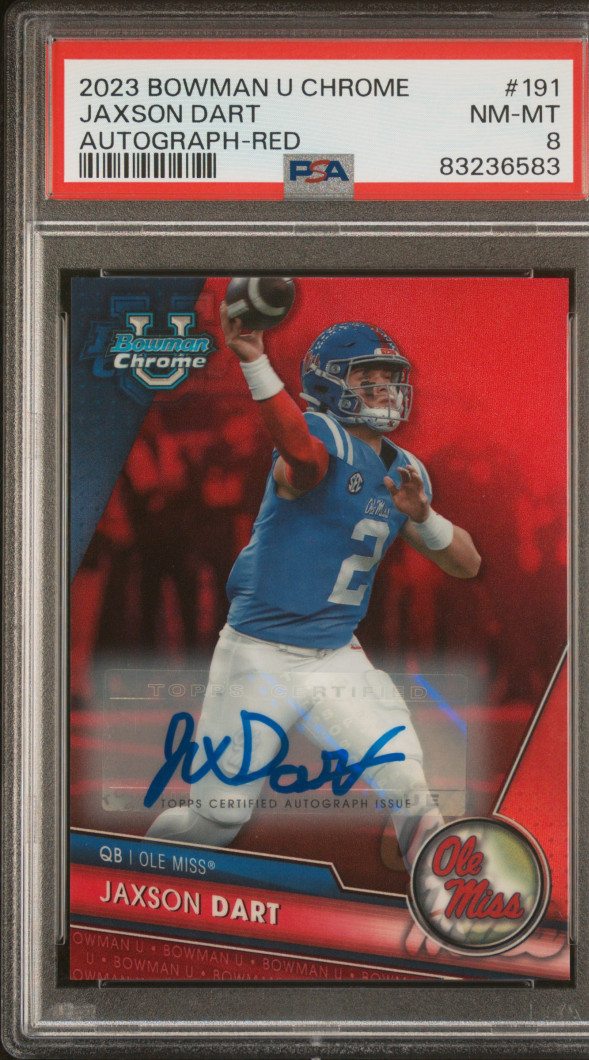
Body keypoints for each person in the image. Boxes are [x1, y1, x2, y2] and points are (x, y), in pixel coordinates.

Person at [147, 302, 481, 890]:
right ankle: (129, 876)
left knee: (409, 784)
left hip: (334, 653)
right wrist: (256, 363)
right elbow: (302, 460)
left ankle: (442, 892)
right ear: (330, 384)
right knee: (214, 822)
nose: (384, 389)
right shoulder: (318, 435)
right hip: (259, 653)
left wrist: (424, 517)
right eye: (366, 377)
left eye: (389, 376)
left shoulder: (406, 470)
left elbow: (468, 563)